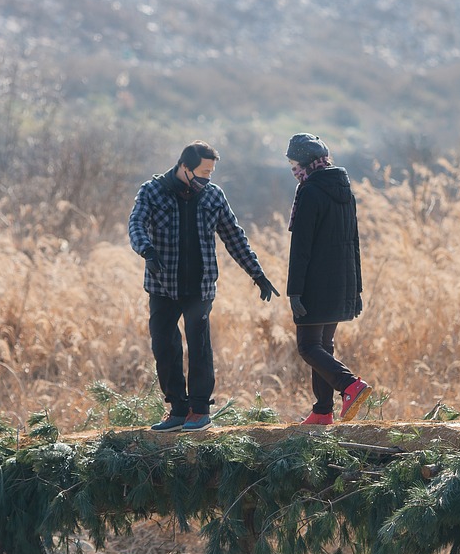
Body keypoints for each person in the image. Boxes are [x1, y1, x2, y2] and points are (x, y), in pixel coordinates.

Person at [128, 140, 280, 432]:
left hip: (200, 286)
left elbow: (234, 237)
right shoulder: (152, 191)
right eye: (203, 172)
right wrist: (146, 250)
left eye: (211, 172)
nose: (207, 178)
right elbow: (136, 223)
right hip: (162, 285)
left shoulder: (213, 196)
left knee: (199, 347)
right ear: (184, 168)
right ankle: (177, 410)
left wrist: (257, 274)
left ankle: (199, 410)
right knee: (164, 346)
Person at [283, 133, 371, 425]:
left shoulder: (309, 192)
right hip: (341, 283)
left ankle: (349, 385)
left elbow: (301, 248)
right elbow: (354, 243)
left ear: (308, 163)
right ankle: (322, 412)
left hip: (315, 284)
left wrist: (294, 292)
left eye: (295, 163)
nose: (294, 170)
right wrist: (355, 289)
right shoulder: (345, 191)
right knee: (324, 345)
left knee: (308, 346)